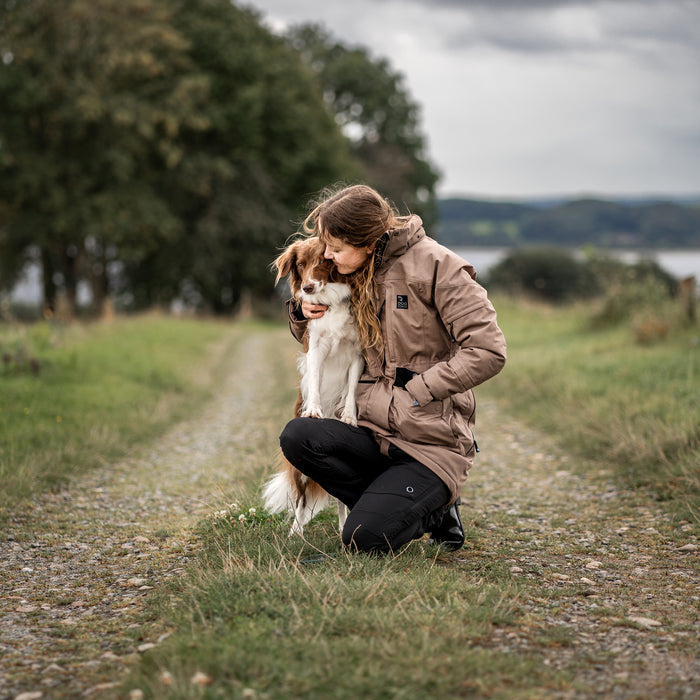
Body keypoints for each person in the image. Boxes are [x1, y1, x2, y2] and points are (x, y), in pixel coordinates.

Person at [279, 184, 506, 553]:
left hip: (428, 442)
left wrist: (418, 391)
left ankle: (437, 508)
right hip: (372, 433)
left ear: (367, 242)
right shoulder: (354, 270)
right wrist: (301, 313)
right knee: (298, 436)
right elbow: (325, 334)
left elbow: (489, 350)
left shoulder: (440, 267)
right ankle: (386, 499)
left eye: (335, 249)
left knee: (363, 539)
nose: (328, 257)